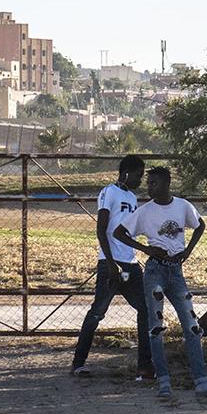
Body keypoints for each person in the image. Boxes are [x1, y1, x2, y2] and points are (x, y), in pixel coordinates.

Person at [115, 166, 207, 400]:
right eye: (148, 183)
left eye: (154, 183)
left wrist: (188, 250)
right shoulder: (145, 211)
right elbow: (119, 233)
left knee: (191, 325)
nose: (149, 187)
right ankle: (164, 382)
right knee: (156, 327)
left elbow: (200, 225)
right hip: (155, 271)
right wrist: (147, 249)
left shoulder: (181, 206)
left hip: (175, 271)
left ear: (166, 184)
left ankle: (201, 380)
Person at [70, 154, 154, 379]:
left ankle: (144, 365)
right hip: (111, 263)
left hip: (131, 263)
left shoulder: (132, 197)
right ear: (126, 173)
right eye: (138, 176)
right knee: (98, 312)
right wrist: (110, 263)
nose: (140, 181)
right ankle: (78, 363)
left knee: (145, 310)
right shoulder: (109, 192)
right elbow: (102, 229)